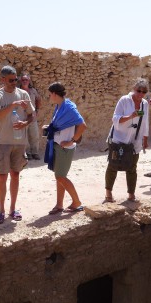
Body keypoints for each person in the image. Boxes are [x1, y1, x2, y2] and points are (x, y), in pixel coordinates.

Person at [0, 65, 35, 224]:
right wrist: (14, 105)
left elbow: (31, 115)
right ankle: (1, 210)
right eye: (11, 80)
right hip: (2, 142)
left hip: (19, 142)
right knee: (2, 176)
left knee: (15, 175)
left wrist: (25, 124)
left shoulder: (24, 94)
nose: (14, 82)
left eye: (16, 79)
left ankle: (12, 208)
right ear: (2, 79)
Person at [44, 82, 87, 215]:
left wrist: (71, 141)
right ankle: (59, 205)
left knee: (61, 176)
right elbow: (61, 125)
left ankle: (77, 202)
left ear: (55, 94)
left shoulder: (68, 108)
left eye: (50, 94)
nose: (49, 97)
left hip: (65, 148)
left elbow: (82, 126)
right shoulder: (59, 106)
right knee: (59, 177)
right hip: (57, 145)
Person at [105, 79, 149, 203]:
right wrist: (131, 116)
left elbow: (145, 122)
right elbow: (115, 118)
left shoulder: (144, 104)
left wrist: (145, 139)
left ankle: (131, 194)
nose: (140, 94)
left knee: (132, 167)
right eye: (138, 91)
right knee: (113, 165)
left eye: (143, 92)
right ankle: (108, 193)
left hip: (134, 140)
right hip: (118, 138)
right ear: (134, 89)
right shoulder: (124, 100)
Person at [19, 73, 42, 160]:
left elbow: (38, 100)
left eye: (26, 80)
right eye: (23, 80)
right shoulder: (18, 91)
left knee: (34, 135)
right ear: (21, 81)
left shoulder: (33, 91)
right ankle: (27, 153)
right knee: (24, 136)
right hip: (22, 116)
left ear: (29, 81)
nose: (25, 81)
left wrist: (37, 111)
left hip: (32, 116)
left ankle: (35, 152)